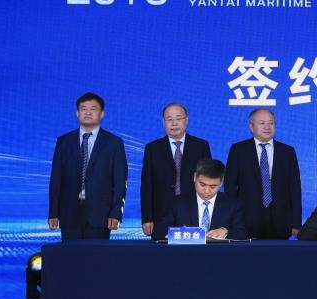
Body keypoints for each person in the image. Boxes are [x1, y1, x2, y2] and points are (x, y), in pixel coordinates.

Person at [48, 92, 127, 240]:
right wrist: (53, 212)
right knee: (71, 254)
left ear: (102, 114)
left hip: (101, 215)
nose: (88, 112)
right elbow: (56, 179)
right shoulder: (64, 141)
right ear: (77, 113)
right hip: (69, 213)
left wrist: (116, 213)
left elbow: (119, 181)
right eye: (84, 109)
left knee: (96, 254)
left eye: (93, 109)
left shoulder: (114, 143)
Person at [224, 108, 302, 239]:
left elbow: (295, 188)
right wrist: (232, 219)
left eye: (271, 123)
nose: (267, 127)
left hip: (281, 221)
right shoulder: (238, 150)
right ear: (251, 126)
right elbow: (230, 186)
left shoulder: (287, 152)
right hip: (246, 220)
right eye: (262, 123)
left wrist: (296, 222)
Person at [140, 103, 211, 238]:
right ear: (163, 122)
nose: (174, 123)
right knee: (161, 250)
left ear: (186, 120)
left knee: (194, 250)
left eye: (178, 118)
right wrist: (147, 218)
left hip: (194, 212)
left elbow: (208, 181)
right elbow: (146, 185)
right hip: (162, 215)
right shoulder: (152, 148)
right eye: (169, 119)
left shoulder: (201, 146)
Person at [154, 159, 246, 241]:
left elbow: (242, 233)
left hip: (219, 252)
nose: (206, 191)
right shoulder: (177, 203)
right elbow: (157, 234)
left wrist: (225, 231)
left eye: (213, 186)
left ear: (221, 183)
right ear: (195, 177)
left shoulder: (233, 204)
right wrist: (179, 231)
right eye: (202, 185)